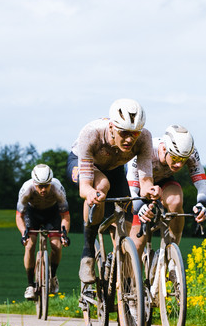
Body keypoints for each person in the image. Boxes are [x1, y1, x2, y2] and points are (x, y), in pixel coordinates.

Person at [67, 98, 159, 283]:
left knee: (124, 221)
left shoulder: (144, 138)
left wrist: (151, 190)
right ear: (111, 127)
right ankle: (88, 254)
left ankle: (121, 283)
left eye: (134, 134)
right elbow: (85, 187)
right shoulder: (91, 133)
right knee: (101, 186)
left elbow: (146, 180)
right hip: (83, 164)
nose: (129, 139)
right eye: (123, 133)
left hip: (114, 169)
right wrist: (91, 194)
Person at [127, 124, 206, 254]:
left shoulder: (189, 151)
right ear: (164, 148)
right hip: (139, 187)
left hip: (164, 182)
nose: (179, 164)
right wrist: (139, 206)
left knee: (175, 201)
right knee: (137, 245)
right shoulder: (148, 149)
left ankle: (171, 252)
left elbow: (202, 181)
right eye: (176, 158)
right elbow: (131, 187)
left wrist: (202, 204)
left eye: (184, 160)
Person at [16, 164, 70, 300]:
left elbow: (65, 216)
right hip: (32, 213)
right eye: (39, 186)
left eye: (46, 185)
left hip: (52, 214)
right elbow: (19, 216)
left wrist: (64, 234)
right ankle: (29, 285)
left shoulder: (58, 189)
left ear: (51, 182)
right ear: (34, 183)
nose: (43, 189)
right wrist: (23, 233)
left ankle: (52, 276)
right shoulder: (26, 189)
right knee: (29, 245)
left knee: (57, 246)